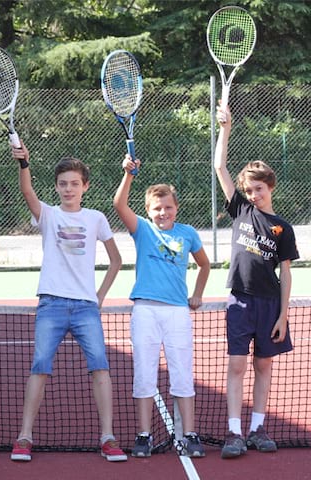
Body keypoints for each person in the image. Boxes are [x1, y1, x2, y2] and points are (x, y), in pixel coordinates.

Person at [9, 141, 127, 463]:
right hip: (51, 304)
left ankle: (108, 437)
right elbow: (28, 193)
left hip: (86, 307)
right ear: (57, 187)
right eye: (63, 184)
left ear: (85, 186)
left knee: (100, 367)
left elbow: (116, 261)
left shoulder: (96, 218)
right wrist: (24, 164)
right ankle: (24, 437)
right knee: (40, 367)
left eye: (75, 183)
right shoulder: (48, 214)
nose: (68, 189)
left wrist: (99, 296)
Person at [214, 104, 299, 459]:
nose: (253, 195)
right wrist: (226, 128)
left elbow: (286, 272)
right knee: (236, 365)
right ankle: (234, 433)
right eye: (249, 190)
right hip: (241, 301)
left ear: (270, 188)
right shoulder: (241, 210)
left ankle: (257, 428)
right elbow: (220, 166)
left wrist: (283, 315)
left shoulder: (283, 228)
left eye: (258, 189)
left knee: (264, 366)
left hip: (270, 306)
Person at [113, 155, 210, 458]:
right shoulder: (142, 229)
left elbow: (205, 265)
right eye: (157, 208)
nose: (163, 212)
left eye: (168, 207)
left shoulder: (187, 233)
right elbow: (118, 205)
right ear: (148, 211)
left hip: (178, 312)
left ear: (176, 208)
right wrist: (128, 175)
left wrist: (197, 294)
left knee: (182, 373)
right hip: (146, 311)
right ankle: (144, 435)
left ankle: (190, 434)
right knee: (144, 373)